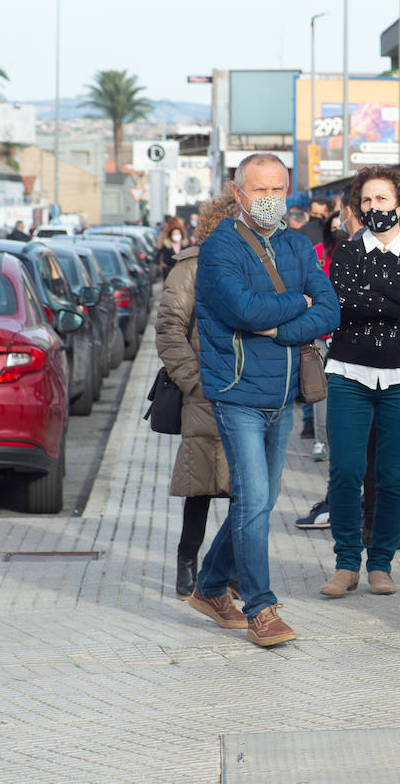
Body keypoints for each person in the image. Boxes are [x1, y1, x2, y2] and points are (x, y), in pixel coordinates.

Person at [187, 153, 340, 648]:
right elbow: (242, 308)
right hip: (237, 393)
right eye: (260, 191)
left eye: (278, 190)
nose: (271, 200)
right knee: (253, 501)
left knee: (263, 499)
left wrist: (277, 325)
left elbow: (331, 309)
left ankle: (210, 586)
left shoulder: (298, 245)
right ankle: (260, 607)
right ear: (238, 194)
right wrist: (299, 304)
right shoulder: (219, 249)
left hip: (284, 394)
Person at [318, 166, 400, 599]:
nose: (374, 209)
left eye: (382, 200)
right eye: (367, 201)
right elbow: (343, 299)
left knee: (393, 475)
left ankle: (382, 564)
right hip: (349, 373)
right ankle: (346, 562)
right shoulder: (347, 254)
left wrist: (377, 292)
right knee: (346, 471)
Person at [155, 191, 239, 600]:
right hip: (204, 392)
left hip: (249, 390)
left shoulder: (258, 263)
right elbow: (169, 327)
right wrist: (194, 380)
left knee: (246, 490)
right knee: (200, 486)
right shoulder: (191, 267)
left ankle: (235, 569)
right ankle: (187, 562)